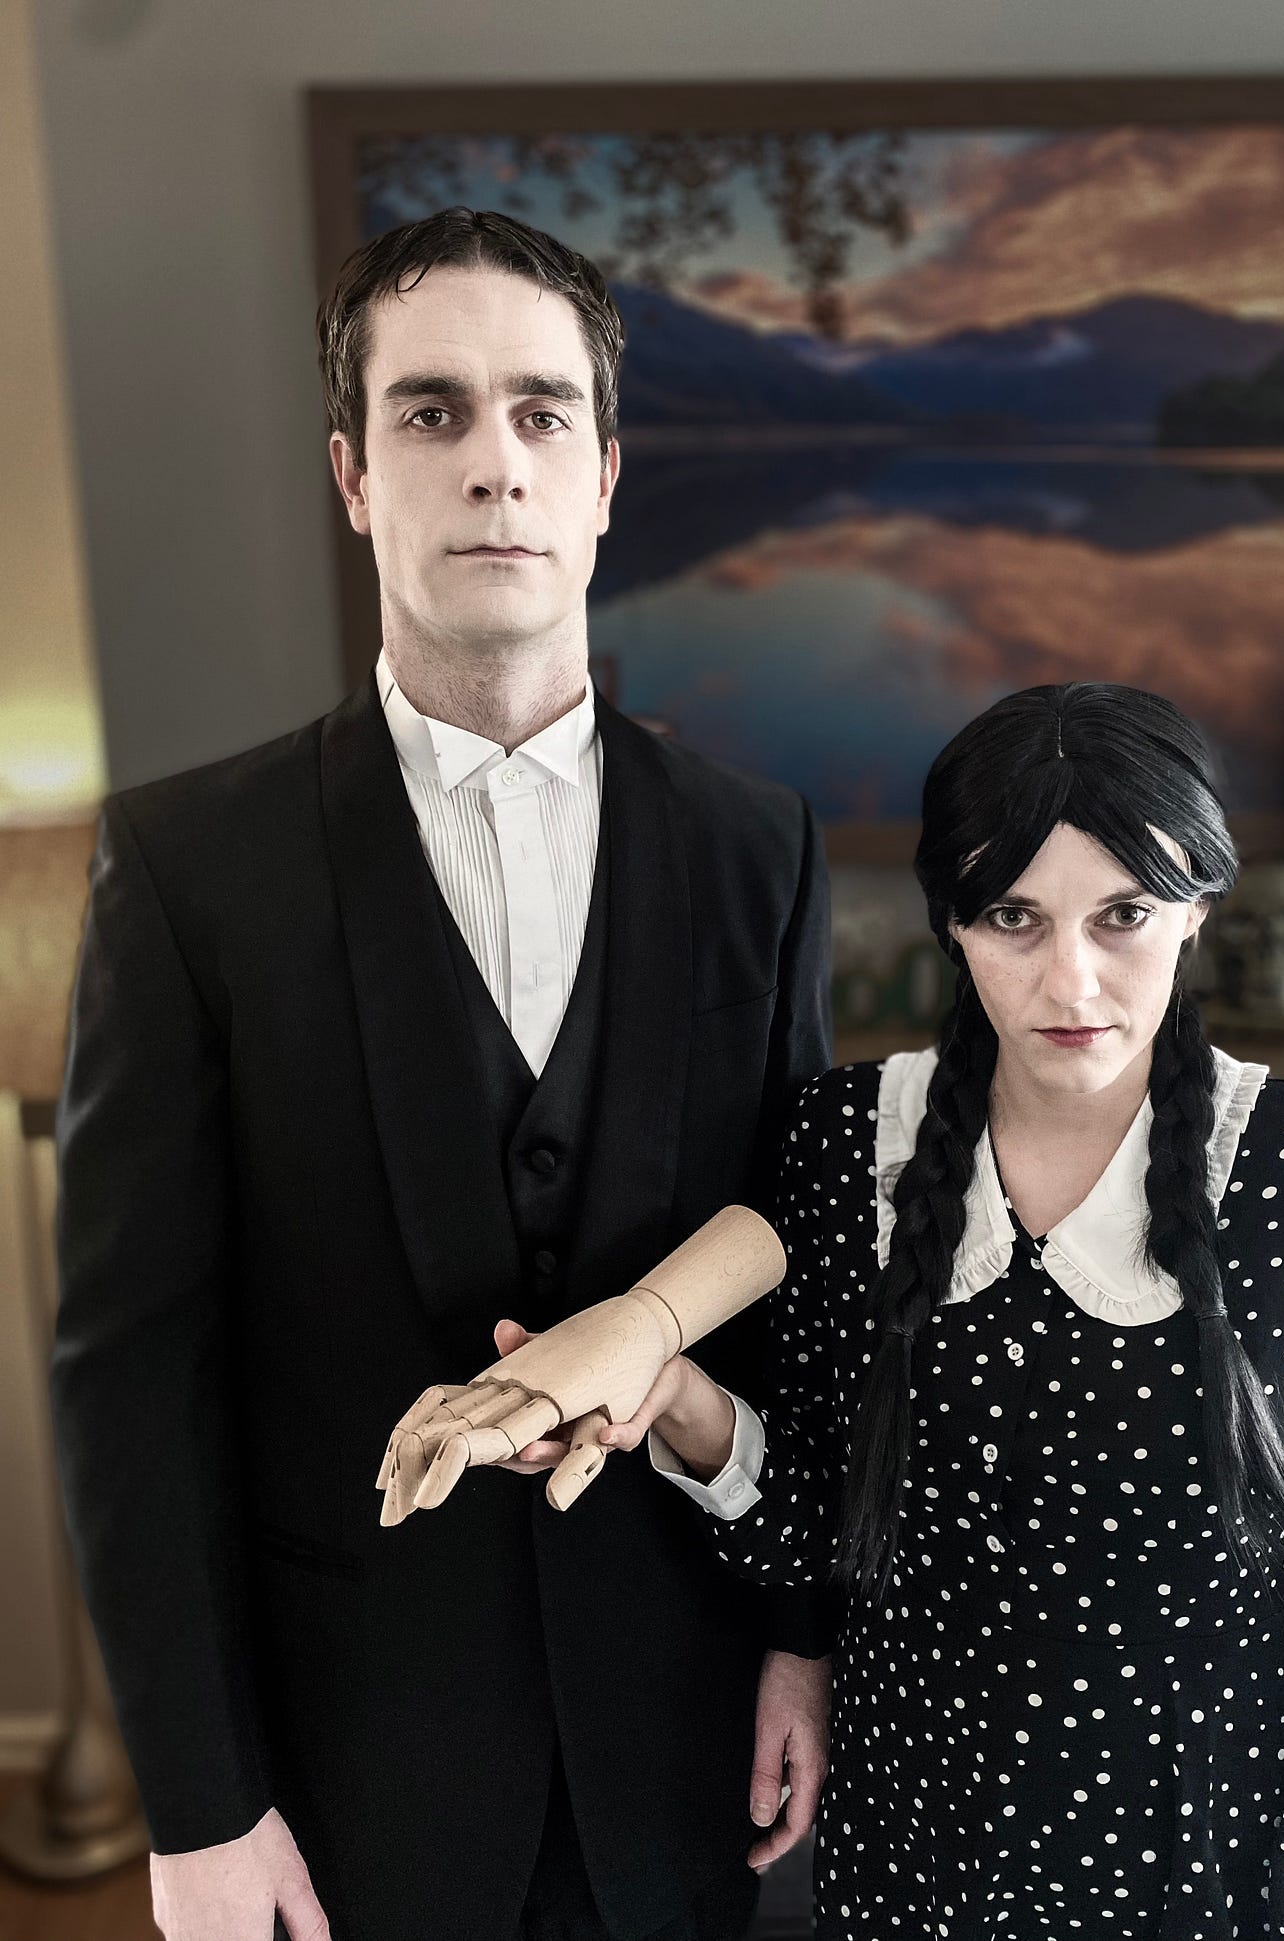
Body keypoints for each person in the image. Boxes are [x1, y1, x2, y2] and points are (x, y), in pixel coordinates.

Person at [50, 207, 835, 1941]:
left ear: (604, 477)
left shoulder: (755, 851)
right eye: (433, 412)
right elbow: (133, 1373)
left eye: (542, 412)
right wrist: (199, 1803)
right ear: (354, 474)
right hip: (343, 1777)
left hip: (683, 1743)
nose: (496, 463)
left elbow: (802, 1289)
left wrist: (802, 1638)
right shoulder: (188, 869)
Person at [594, 682, 1284, 1939]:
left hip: (1205, 1883)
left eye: (1123, 915)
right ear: (952, 924)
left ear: (1198, 907)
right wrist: (680, 1400)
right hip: (909, 1871)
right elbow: (819, 1536)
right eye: (1014, 917)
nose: (1072, 980)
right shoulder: (846, 1146)